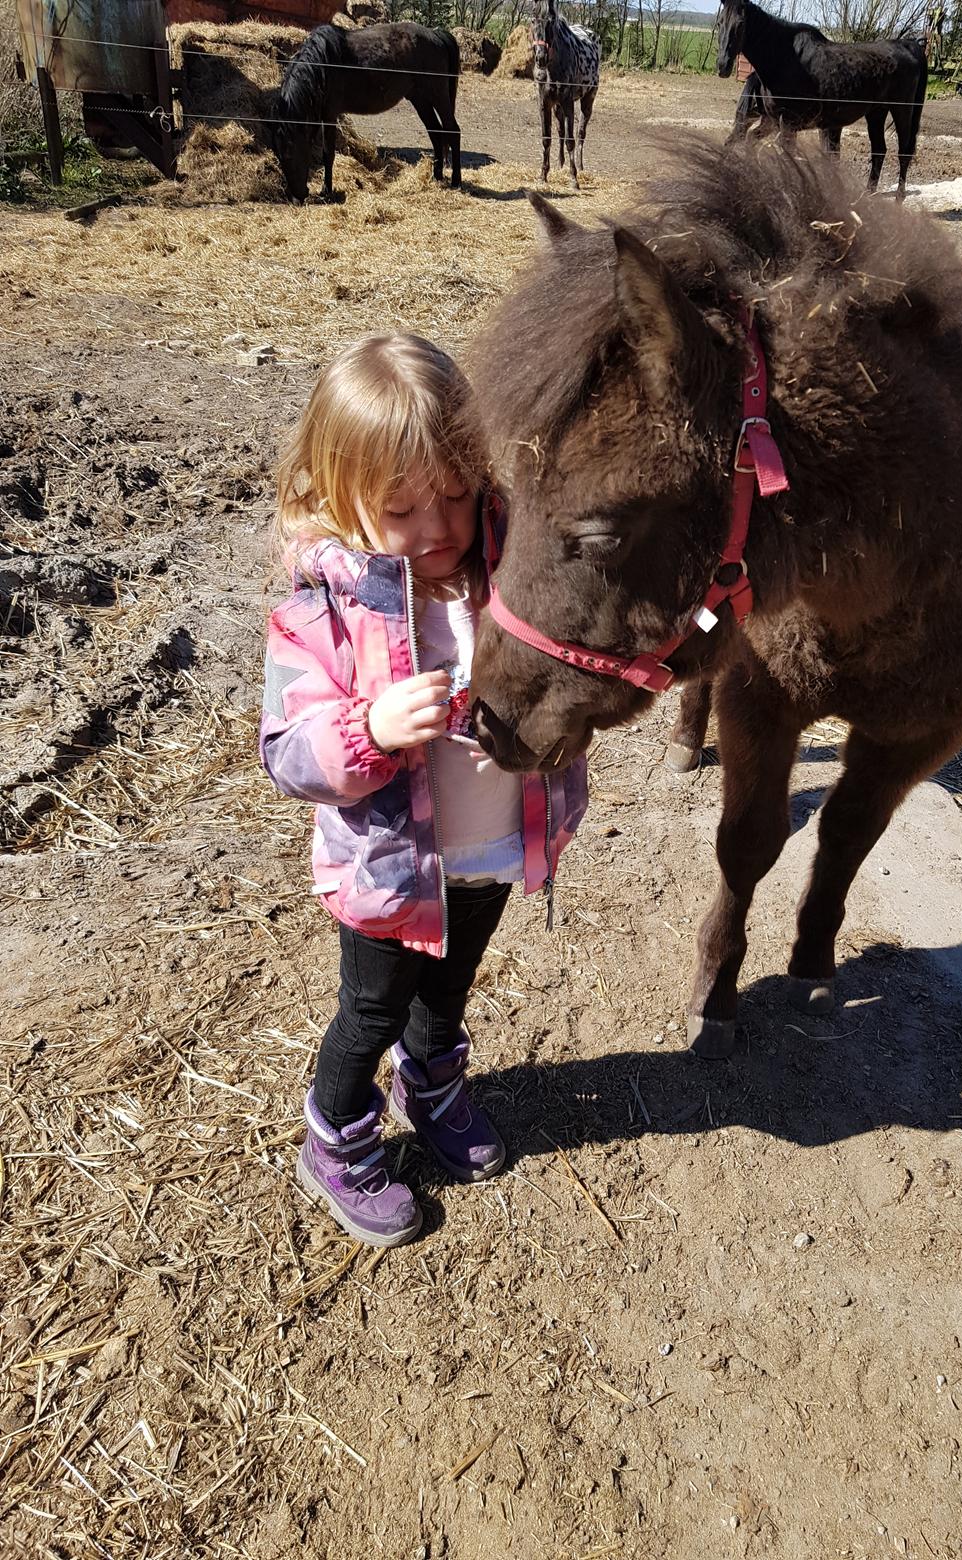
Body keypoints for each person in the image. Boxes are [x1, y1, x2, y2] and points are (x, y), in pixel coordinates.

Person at [260, 333, 588, 1248]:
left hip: (491, 844)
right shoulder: (323, 605)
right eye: (402, 506)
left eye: (455, 491)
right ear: (338, 495)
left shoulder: (510, 566)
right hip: (389, 869)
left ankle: (433, 1082)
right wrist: (369, 728)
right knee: (368, 1010)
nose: (438, 524)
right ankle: (336, 1138)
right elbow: (287, 750)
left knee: (448, 989)